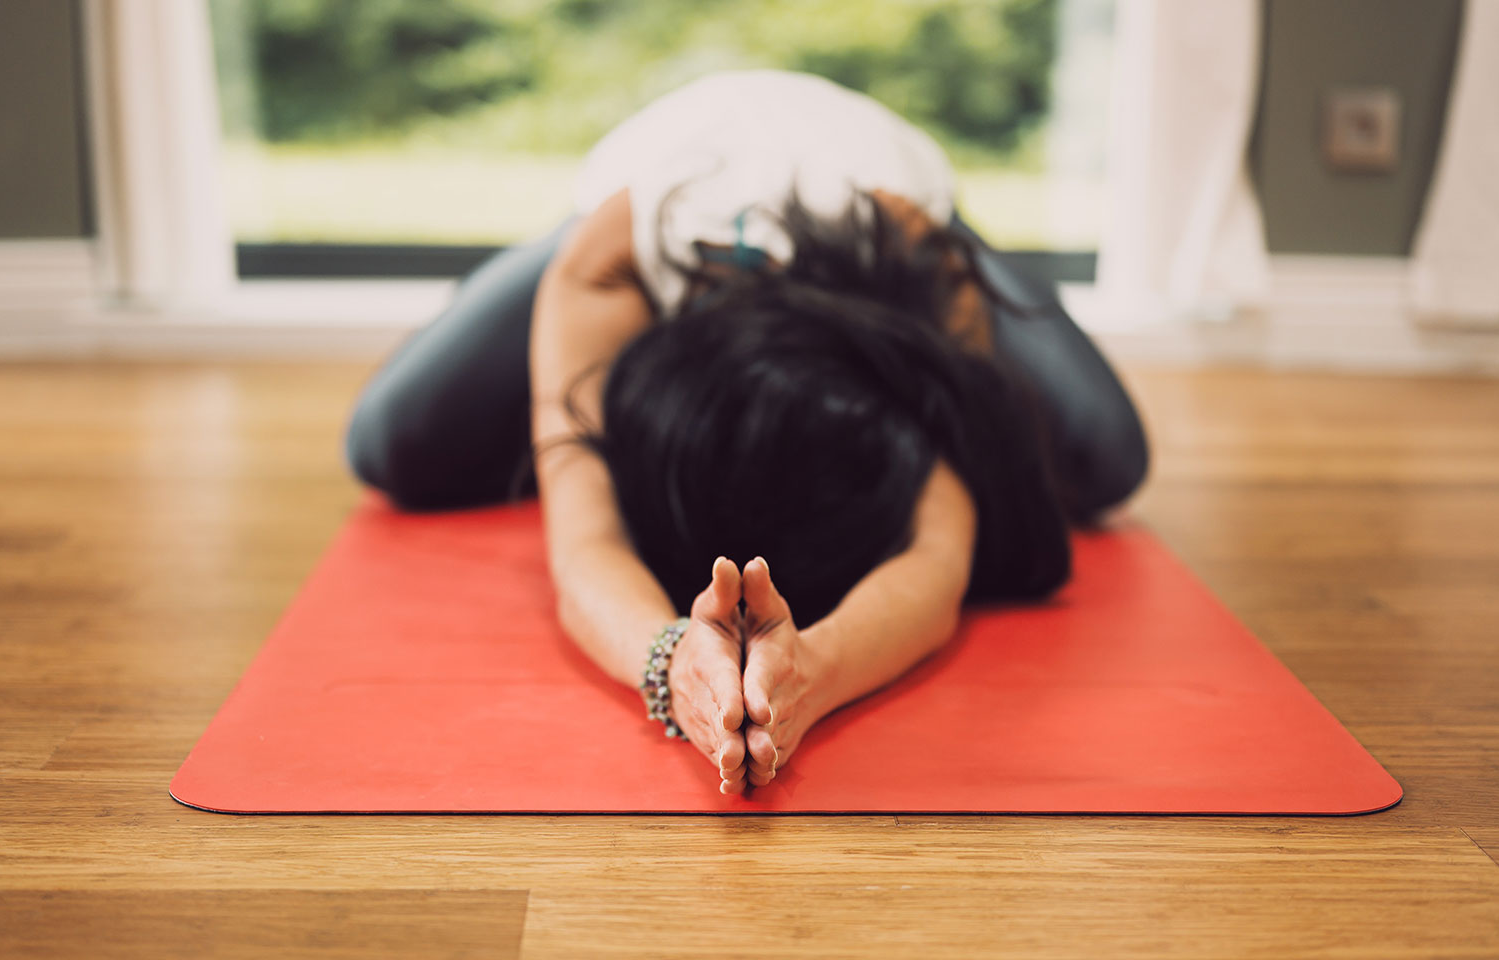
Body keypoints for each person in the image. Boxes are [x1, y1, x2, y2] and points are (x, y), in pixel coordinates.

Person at [344, 70, 1148, 795]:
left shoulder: (916, 269)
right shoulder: (608, 264)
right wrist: (672, 665)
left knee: (1106, 459)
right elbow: (582, 541)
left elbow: (941, 550)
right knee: (390, 444)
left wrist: (811, 676)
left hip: (886, 180)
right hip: (647, 170)